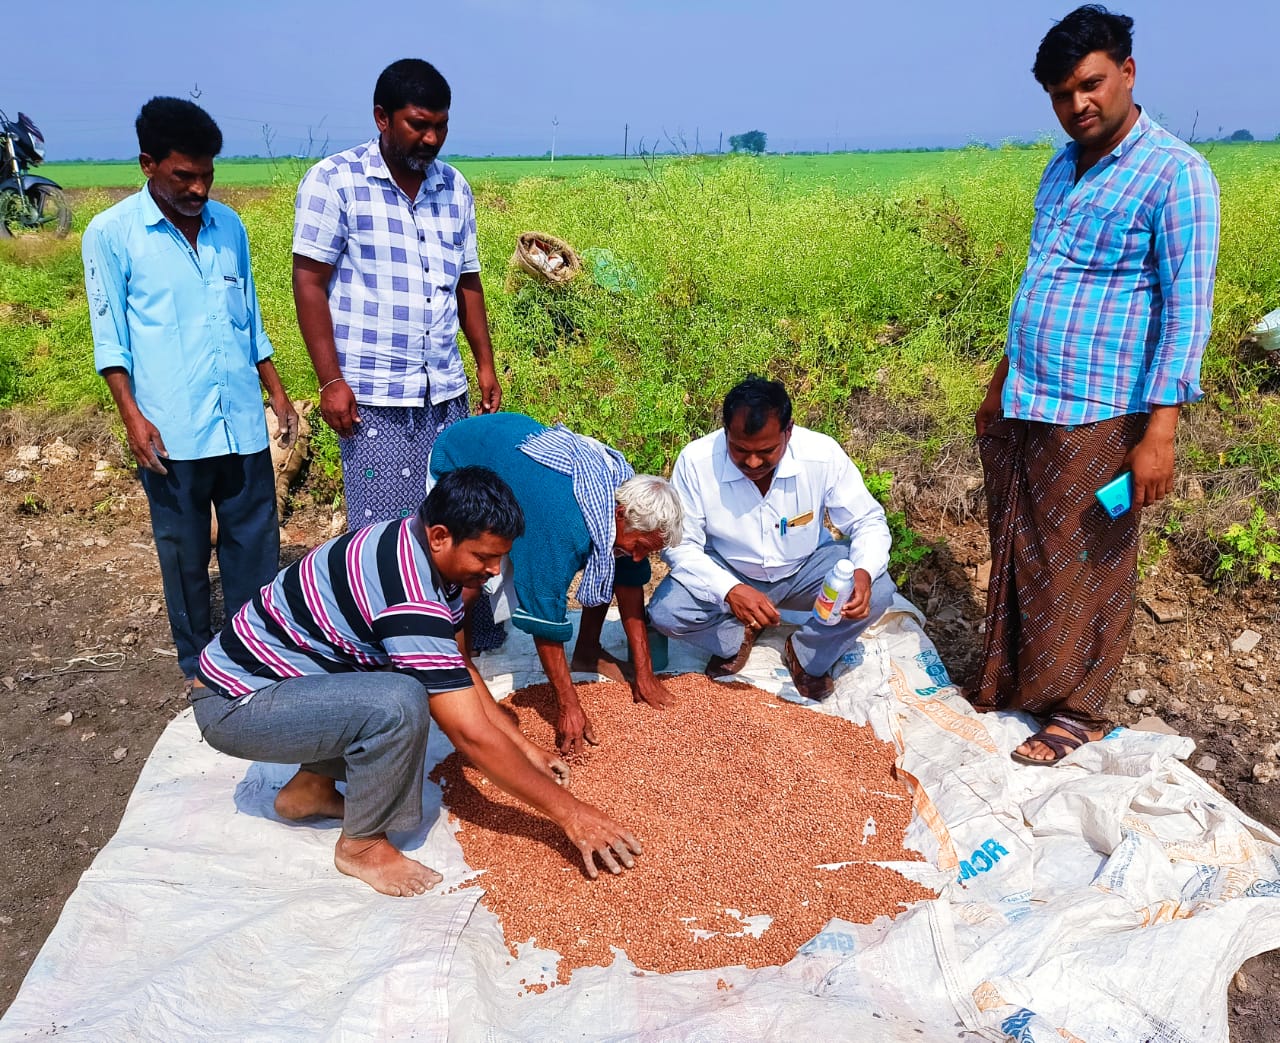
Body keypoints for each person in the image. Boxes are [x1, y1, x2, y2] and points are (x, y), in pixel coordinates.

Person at [192, 466, 642, 897]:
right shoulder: (410, 592)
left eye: (499, 558)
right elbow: (468, 732)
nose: (492, 571)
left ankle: (310, 790)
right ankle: (361, 847)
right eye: (484, 557)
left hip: (282, 683)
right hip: (237, 704)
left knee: (409, 675)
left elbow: (455, 665)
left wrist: (525, 749)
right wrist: (571, 814)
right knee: (402, 698)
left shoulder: (418, 548)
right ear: (441, 536)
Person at [971, 5, 1219, 765]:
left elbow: (1187, 308)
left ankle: (1078, 707)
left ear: (1128, 73)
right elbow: (1041, 278)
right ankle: (1018, 677)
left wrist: (1161, 430)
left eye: (1090, 85)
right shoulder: (1060, 165)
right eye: (1060, 93)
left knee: (1089, 556)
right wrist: (1002, 376)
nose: (1077, 104)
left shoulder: (1176, 174)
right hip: (1032, 392)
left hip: (1104, 407)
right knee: (1025, 544)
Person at [83, 97, 298, 691]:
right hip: (170, 428)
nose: (200, 188)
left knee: (255, 544)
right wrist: (132, 417)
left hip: (240, 421)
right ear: (148, 164)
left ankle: (257, 650)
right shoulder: (112, 234)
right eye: (185, 176)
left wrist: (276, 394)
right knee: (182, 553)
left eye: (207, 175)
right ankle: (199, 664)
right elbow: (112, 339)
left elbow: (248, 319)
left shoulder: (230, 227)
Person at [292, 58, 505, 650]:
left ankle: (464, 637)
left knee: (459, 518)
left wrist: (483, 363)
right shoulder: (334, 181)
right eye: (418, 125)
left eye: (440, 125)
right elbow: (308, 281)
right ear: (382, 117)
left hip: (444, 389)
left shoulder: (452, 185)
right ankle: (386, 644)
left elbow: (468, 282)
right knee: (385, 528)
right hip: (371, 394)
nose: (431, 138)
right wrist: (329, 380)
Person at [429, 413, 685, 756]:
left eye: (648, 553)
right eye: (640, 546)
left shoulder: (622, 491)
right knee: (471, 572)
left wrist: (645, 673)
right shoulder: (563, 526)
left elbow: (628, 581)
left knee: (612, 559)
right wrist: (569, 706)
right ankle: (458, 665)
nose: (640, 558)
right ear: (621, 515)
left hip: (514, 447)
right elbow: (543, 611)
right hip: (465, 451)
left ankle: (587, 652)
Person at [649, 377, 896, 700]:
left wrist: (862, 571)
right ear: (725, 431)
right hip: (729, 566)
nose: (752, 463)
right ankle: (738, 635)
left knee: (878, 590)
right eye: (739, 450)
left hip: (806, 568)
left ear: (788, 431)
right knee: (667, 613)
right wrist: (730, 590)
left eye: (766, 451)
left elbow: (867, 520)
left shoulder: (821, 455)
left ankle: (806, 653)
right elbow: (680, 546)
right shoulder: (696, 462)